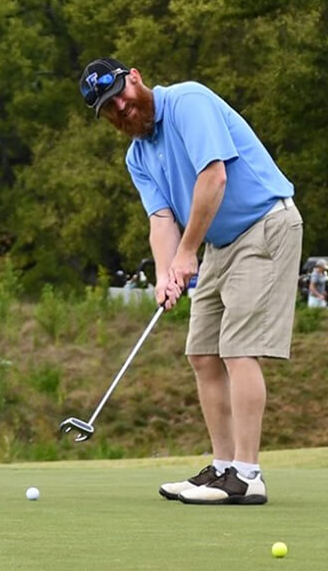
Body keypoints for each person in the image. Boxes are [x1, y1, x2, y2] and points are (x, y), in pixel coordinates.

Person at [80, 57, 301, 506]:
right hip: (219, 242)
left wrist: (186, 254)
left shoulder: (188, 101)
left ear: (135, 77)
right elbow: (161, 219)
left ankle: (248, 473)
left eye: (120, 95)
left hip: (264, 224)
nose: (121, 109)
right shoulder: (137, 155)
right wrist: (166, 273)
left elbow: (213, 177)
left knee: (238, 349)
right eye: (109, 109)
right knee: (202, 353)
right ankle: (222, 469)